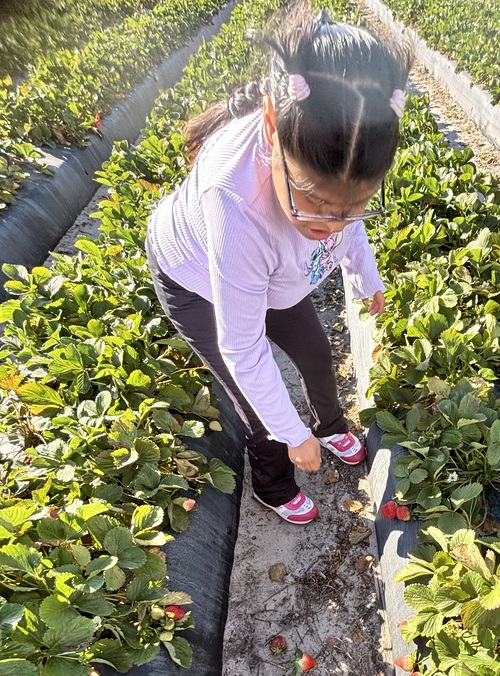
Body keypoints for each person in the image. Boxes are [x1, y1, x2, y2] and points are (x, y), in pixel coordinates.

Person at [145, 3, 412, 523]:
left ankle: (331, 424)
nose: (330, 223)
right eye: (312, 199)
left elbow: (346, 221)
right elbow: (242, 347)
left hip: (271, 275)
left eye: (352, 206)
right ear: (272, 125)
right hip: (197, 278)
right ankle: (272, 482)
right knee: (257, 409)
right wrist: (293, 434)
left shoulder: (340, 161)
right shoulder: (235, 200)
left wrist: (363, 272)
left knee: (314, 352)